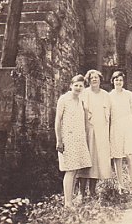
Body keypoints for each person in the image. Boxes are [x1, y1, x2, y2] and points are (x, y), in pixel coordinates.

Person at [55, 74, 92, 207]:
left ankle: (71, 199)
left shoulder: (81, 101)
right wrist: (59, 140)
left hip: (78, 138)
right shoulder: (63, 99)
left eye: (81, 86)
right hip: (67, 138)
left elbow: (85, 121)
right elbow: (58, 121)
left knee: (76, 170)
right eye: (76, 85)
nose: (78, 88)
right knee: (70, 170)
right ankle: (68, 203)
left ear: (84, 87)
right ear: (71, 85)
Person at [76, 69, 112, 197]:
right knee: (85, 160)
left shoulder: (106, 95)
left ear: (100, 79)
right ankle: (81, 193)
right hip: (87, 131)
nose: (94, 80)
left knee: (97, 160)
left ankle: (92, 190)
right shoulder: (84, 94)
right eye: (92, 78)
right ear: (88, 80)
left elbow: (110, 115)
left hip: (101, 131)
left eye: (96, 77)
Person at [109, 71, 132, 196]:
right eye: (116, 80)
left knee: (129, 155)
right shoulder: (109, 96)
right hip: (116, 127)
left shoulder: (128, 94)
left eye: (120, 80)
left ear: (123, 82)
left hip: (128, 126)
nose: (118, 82)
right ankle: (120, 186)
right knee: (117, 157)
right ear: (113, 81)